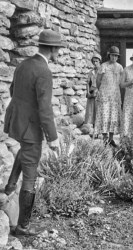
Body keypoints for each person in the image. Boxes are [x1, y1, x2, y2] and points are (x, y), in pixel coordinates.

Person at [3, 29, 63, 235]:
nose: (59, 54)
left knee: (24, 150)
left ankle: (10, 186)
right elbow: (44, 109)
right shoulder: (44, 71)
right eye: (58, 50)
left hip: (17, 121)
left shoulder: (24, 64)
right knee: (30, 175)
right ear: (53, 49)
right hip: (31, 127)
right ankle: (23, 226)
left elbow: (13, 91)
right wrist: (53, 138)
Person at [94, 46, 123, 146]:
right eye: (112, 55)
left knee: (113, 116)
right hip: (105, 94)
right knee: (104, 115)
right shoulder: (103, 66)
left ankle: (111, 139)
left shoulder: (120, 67)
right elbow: (98, 80)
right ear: (109, 55)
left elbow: (121, 82)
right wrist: (101, 90)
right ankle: (105, 138)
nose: (114, 58)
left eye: (116, 56)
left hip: (115, 95)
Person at [84, 53, 102, 132]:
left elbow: (103, 83)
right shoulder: (91, 72)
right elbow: (88, 83)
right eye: (94, 61)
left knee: (98, 111)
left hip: (98, 93)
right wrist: (88, 92)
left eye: (97, 61)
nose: (95, 63)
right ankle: (93, 130)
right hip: (91, 93)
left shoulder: (102, 72)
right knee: (91, 111)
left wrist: (97, 91)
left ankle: (98, 131)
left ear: (99, 61)